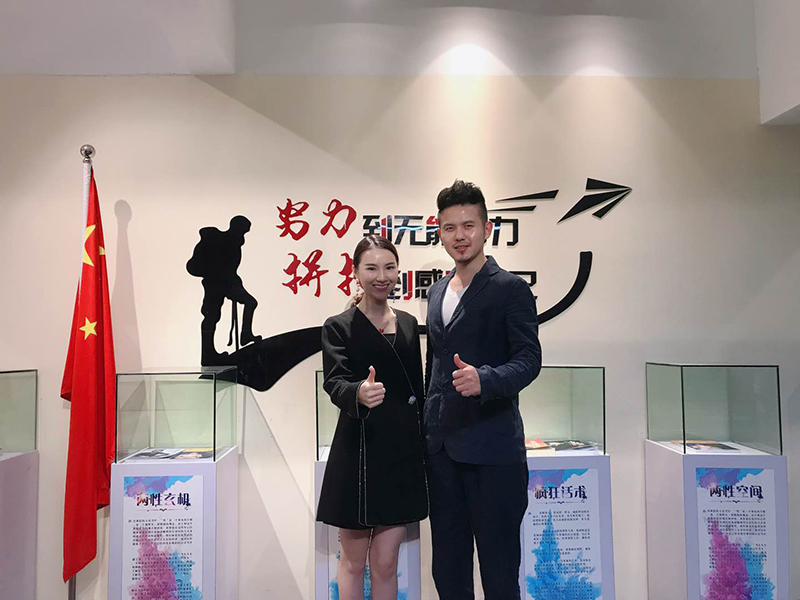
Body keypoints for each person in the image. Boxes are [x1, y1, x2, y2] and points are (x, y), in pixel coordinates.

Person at [424, 180, 542, 600]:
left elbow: (529, 359)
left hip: (493, 454)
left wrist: (485, 379)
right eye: (450, 227)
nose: (460, 236)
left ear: (487, 229)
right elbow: (435, 369)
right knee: (448, 573)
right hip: (442, 455)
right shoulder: (436, 291)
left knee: (499, 574)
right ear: (440, 232)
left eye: (468, 225)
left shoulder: (511, 288)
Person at [317, 235, 428, 600]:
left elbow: (417, 388)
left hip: (399, 455)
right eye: (372, 268)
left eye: (389, 268)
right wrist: (358, 393)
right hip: (357, 454)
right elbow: (334, 382)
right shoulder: (339, 325)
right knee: (352, 563)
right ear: (356, 273)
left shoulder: (409, 323)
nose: (382, 277)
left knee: (385, 563)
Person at [186, 215, 261, 363]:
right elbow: (213, 266)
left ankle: (245, 334)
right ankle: (208, 355)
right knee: (211, 317)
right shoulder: (219, 240)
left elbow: (230, 268)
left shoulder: (233, 243)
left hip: (228, 284)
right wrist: (220, 276)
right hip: (215, 285)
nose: (244, 236)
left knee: (250, 303)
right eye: (243, 231)